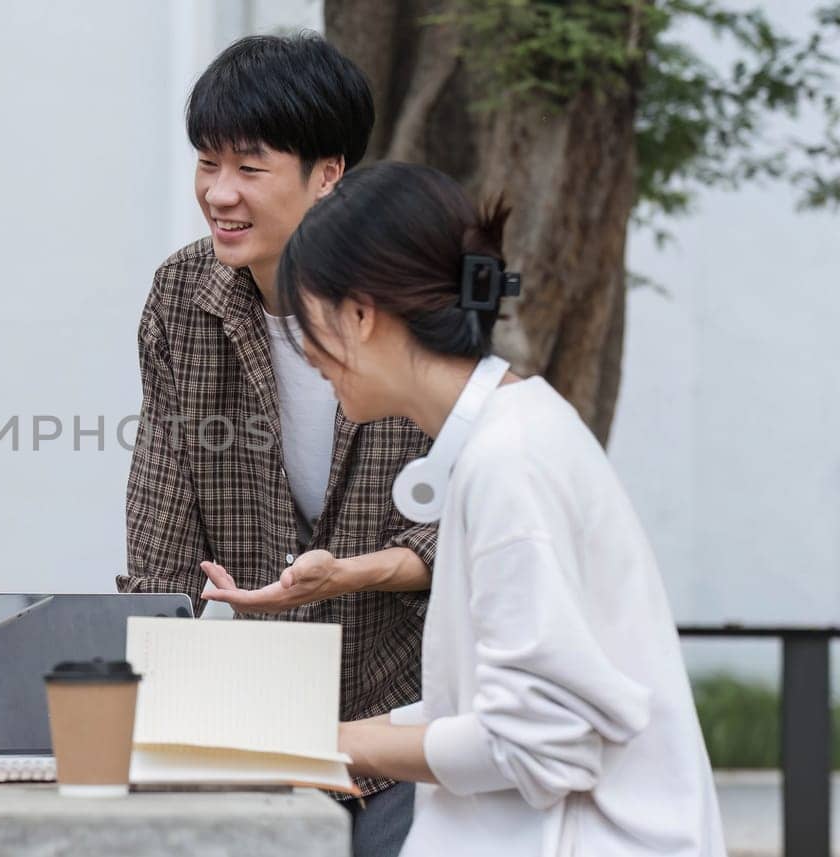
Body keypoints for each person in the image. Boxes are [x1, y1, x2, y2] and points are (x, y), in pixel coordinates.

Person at [273, 161, 723, 855]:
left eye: (309, 323)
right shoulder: (513, 434)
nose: (308, 355)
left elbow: (535, 740)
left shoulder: (509, 460)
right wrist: (323, 734)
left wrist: (330, 740)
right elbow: (496, 708)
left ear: (360, 315)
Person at [117, 32, 434, 854]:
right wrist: (150, 689)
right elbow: (161, 522)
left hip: (411, 712)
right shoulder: (182, 298)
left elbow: (467, 519)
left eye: (249, 169)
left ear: (328, 173)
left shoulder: (407, 293)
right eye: (206, 163)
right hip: (256, 721)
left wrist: (356, 572)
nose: (219, 193)